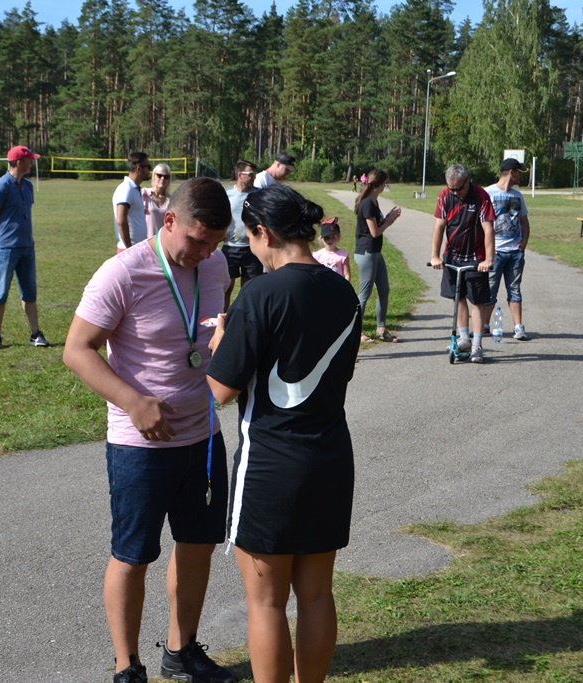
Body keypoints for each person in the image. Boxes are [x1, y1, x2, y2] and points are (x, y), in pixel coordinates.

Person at [63, 177, 238, 683]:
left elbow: (208, 332)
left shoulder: (215, 264)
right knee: (132, 554)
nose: (205, 252)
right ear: (168, 221)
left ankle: (181, 652)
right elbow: (77, 349)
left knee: (198, 545)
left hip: (203, 435)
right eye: (197, 239)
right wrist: (133, 401)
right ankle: (128, 665)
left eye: (215, 242)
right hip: (140, 443)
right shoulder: (122, 273)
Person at [206, 184, 361, 683]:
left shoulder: (260, 293)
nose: (249, 249)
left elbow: (221, 390)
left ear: (264, 233)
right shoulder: (344, 290)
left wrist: (218, 341)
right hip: (331, 458)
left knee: (266, 602)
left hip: (271, 464)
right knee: (317, 595)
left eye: (249, 239)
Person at [0, 145, 50, 351]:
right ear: (19, 162)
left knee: (30, 293)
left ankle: (35, 334)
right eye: (30, 159)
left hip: (27, 247)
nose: (33, 162)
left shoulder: (28, 186)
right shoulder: (1, 186)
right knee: (0, 292)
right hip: (5, 249)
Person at [429, 163, 495, 363]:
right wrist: (435, 256)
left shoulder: (481, 196)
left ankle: (477, 345)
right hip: (453, 255)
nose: (455, 192)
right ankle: (464, 339)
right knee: (458, 296)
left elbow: (488, 230)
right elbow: (439, 226)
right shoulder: (445, 196)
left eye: (459, 188)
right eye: (452, 189)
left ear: (468, 180)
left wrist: (488, 260)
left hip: (476, 257)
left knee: (477, 300)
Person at [484, 158, 531, 341]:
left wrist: (524, 243)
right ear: (512, 172)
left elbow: (524, 222)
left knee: (515, 290)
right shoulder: (488, 193)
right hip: (494, 254)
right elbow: (480, 224)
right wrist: (487, 249)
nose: (521, 176)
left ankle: (518, 327)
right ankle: (486, 325)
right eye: (520, 172)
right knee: (489, 291)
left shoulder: (518, 196)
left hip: (514, 253)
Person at [353, 169, 402, 343]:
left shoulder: (373, 201)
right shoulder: (367, 203)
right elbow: (374, 232)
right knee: (364, 294)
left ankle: (381, 329)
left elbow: (375, 226)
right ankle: (356, 333)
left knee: (384, 290)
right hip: (367, 252)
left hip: (375, 252)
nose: (385, 186)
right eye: (385, 183)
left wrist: (388, 218)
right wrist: (389, 222)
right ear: (380, 184)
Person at [223, 159, 263, 310]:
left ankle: (245, 321)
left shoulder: (259, 195)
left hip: (252, 248)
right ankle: (224, 322)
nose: (253, 177)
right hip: (230, 248)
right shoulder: (227, 194)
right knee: (226, 288)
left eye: (255, 175)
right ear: (240, 175)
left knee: (249, 291)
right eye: (250, 174)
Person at [113, 152, 153, 252]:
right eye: (148, 167)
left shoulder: (134, 189)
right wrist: (129, 249)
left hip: (136, 248)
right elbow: (121, 221)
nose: (150, 170)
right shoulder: (126, 189)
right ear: (139, 168)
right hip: (129, 249)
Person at [141, 162, 172, 237]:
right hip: (146, 242)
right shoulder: (145, 194)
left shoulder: (171, 200)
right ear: (154, 176)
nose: (162, 178)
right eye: (159, 175)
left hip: (162, 243)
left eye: (166, 177)